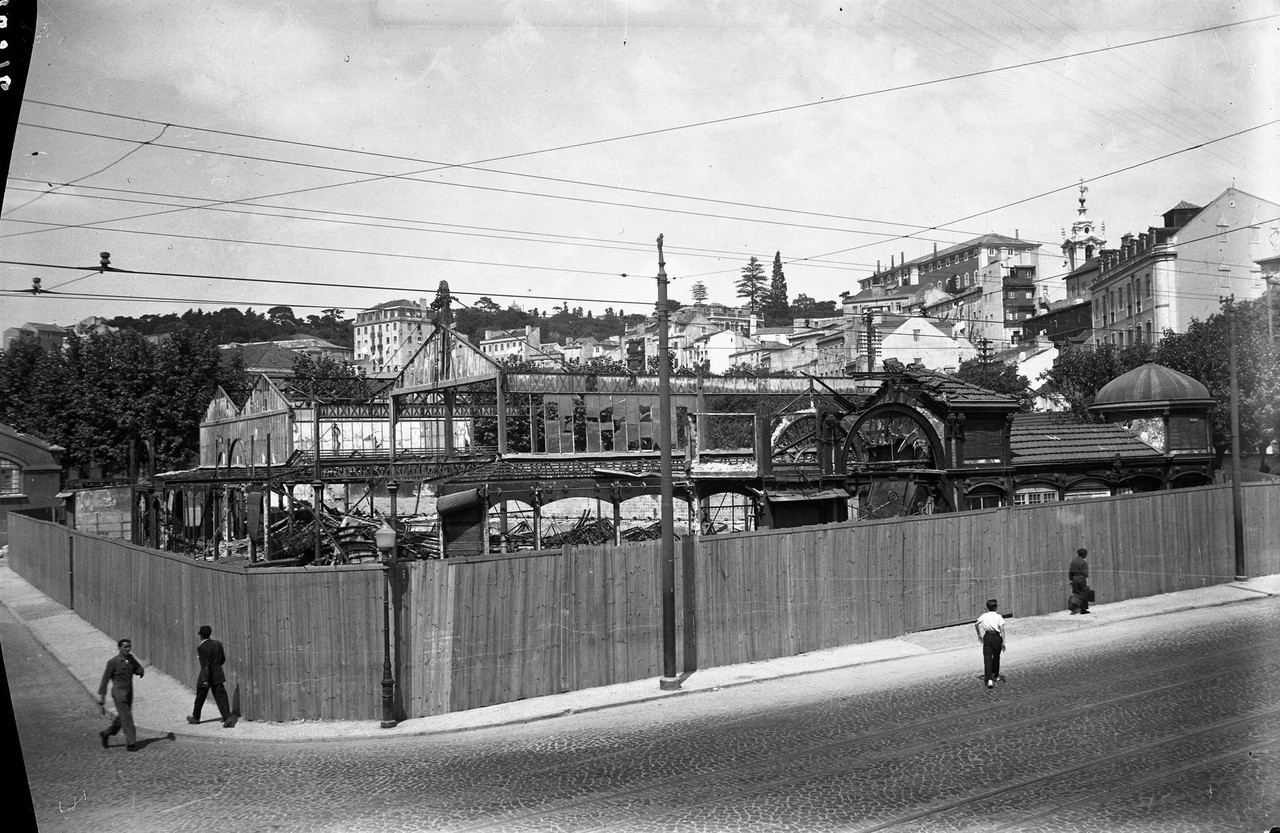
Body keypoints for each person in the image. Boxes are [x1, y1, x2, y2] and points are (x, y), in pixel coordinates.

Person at [98, 638, 145, 751]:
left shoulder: (130, 658)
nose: (128, 649)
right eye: (125, 647)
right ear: (119, 648)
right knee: (127, 716)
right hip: (119, 691)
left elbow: (136, 668)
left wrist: (141, 671)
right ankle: (131, 743)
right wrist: (102, 696)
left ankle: (106, 733)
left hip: (129, 690)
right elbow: (105, 679)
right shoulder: (113, 662)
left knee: (123, 716)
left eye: (129, 646)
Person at [188, 625, 233, 728]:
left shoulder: (201, 648)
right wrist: (216, 667)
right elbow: (222, 659)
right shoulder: (218, 644)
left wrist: (205, 679)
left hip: (206, 676)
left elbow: (205, 665)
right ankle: (227, 717)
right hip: (218, 674)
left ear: (201, 636)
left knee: (200, 697)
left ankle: (195, 718)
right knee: (221, 696)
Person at [974, 599, 1005, 689]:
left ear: (987, 607)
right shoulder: (999, 616)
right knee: (996, 656)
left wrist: (979, 634)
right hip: (996, 636)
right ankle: (995, 675)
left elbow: (976, 624)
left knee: (987, 657)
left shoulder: (984, 615)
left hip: (987, 636)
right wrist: (1004, 642)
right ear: (996, 607)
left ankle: (989, 678)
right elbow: (1002, 630)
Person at [1069, 547, 1091, 614]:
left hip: (1074, 578)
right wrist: (1085, 578)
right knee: (1084, 593)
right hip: (1081, 578)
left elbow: (1070, 572)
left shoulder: (1073, 561)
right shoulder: (1083, 562)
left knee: (1076, 594)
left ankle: (1074, 609)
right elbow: (1085, 573)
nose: (1086, 555)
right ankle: (1083, 610)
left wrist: (1071, 579)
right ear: (1083, 554)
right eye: (1086, 554)